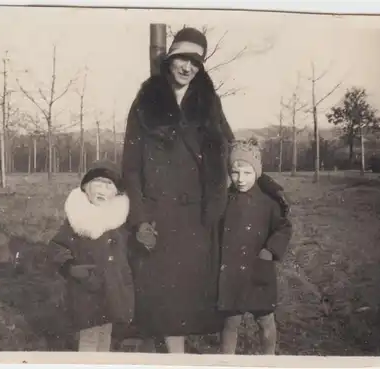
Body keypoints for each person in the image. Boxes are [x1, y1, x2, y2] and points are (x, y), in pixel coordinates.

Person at [122, 27, 289, 353]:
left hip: (201, 216)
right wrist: (140, 219)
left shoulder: (208, 101)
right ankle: (175, 357)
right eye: (182, 59)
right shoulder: (145, 102)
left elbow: (232, 146)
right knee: (166, 296)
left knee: (192, 294)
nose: (187, 68)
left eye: (195, 62)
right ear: (169, 58)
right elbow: (130, 165)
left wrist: (266, 185)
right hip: (158, 214)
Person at [49, 159, 134, 352]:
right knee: (89, 336)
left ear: (116, 193)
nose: (102, 190)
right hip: (87, 288)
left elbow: (130, 248)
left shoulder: (118, 220)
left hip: (113, 288)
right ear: (86, 189)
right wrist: (70, 266)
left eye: (109, 185)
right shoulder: (77, 219)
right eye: (97, 183)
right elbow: (56, 247)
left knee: (105, 333)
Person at [218, 139, 292, 355]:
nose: (240, 179)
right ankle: (226, 362)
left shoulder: (268, 203)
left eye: (247, 173)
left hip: (259, 270)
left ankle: (268, 360)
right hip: (232, 273)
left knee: (265, 320)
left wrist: (269, 251)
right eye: (235, 173)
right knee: (230, 323)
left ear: (257, 173)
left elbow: (284, 228)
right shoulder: (225, 200)